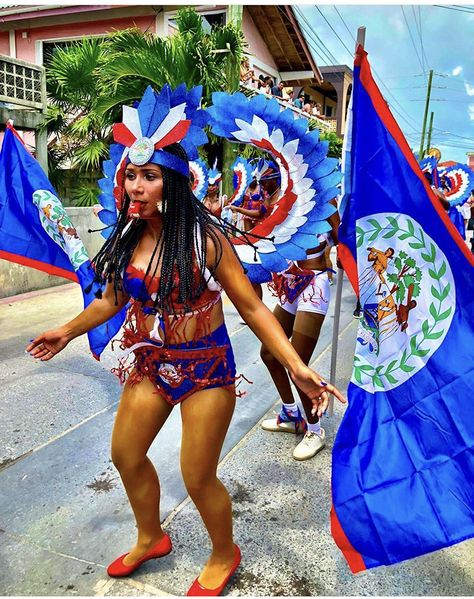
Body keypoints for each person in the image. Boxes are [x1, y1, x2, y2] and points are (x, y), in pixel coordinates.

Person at [26, 88, 344, 596]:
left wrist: (296, 365)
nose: (135, 185)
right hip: (153, 362)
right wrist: (66, 330)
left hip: (205, 369)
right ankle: (150, 536)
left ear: (172, 182)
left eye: (148, 176)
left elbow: (253, 307)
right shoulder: (127, 238)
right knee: (126, 455)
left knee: (197, 476)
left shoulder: (206, 240)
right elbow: (110, 301)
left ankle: (224, 552)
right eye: (131, 174)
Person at [260, 201, 340, 461]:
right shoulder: (285, 193)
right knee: (270, 354)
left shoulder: (326, 200)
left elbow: (342, 239)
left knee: (298, 364)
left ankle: (315, 431)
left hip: (314, 287)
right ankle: (291, 415)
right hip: (290, 285)